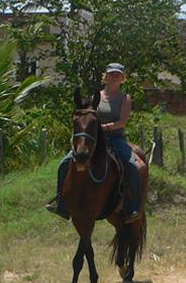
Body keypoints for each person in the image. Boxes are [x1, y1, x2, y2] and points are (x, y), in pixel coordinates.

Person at [45, 63, 142, 223]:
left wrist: (104, 127)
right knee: (64, 164)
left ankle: (133, 206)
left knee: (134, 166)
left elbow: (122, 121)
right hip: (94, 139)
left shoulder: (125, 98)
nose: (114, 77)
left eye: (118, 74)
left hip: (116, 138)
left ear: (122, 78)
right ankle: (61, 203)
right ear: (106, 76)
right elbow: (87, 116)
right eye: (111, 74)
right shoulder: (97, 96)